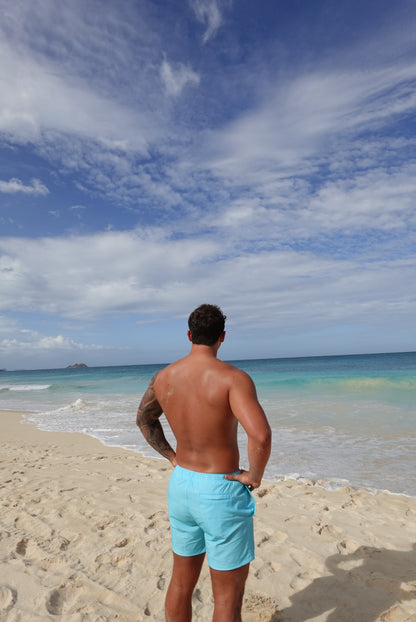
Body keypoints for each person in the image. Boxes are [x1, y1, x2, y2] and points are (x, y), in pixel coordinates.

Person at [136, 304, 272, 622]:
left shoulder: (163, 376)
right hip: (220, 489)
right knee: (226, 600)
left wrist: (171, 456)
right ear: (222, 337)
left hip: (181, 483)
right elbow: (261, 436)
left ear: (188, 335)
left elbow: (144, 418)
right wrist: (254, 475)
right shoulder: (233, 378)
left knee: (181, 583)